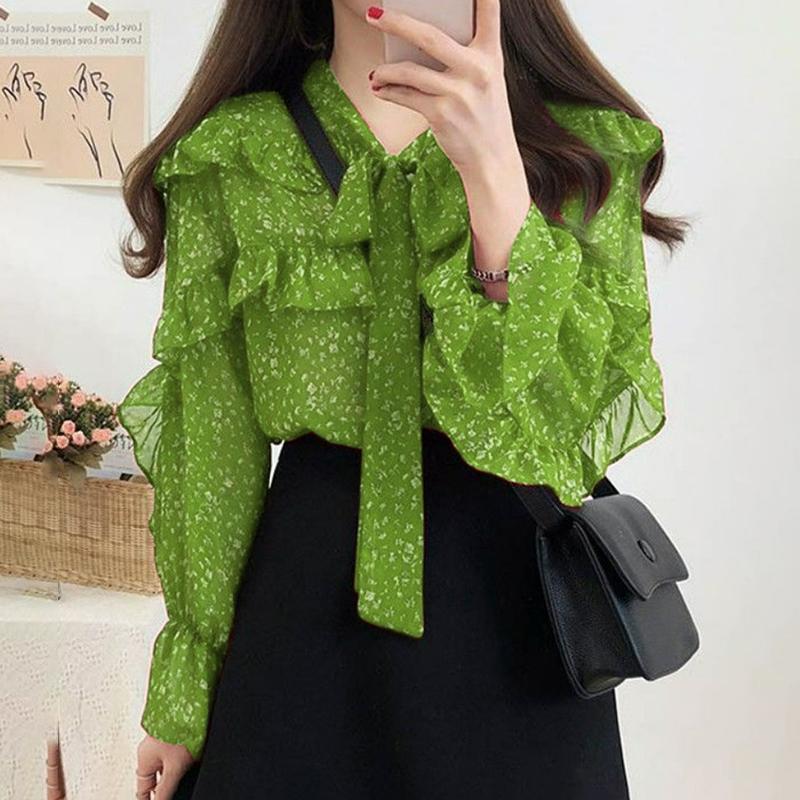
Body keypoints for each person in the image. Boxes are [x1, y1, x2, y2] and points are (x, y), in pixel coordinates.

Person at [118, 1, 688, 797]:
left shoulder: (578, 148)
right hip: (303, 610)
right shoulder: (234, 154)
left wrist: (495, 175)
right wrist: (185, 696)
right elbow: (214, 452)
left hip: (517, 610)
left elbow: (565, 429)